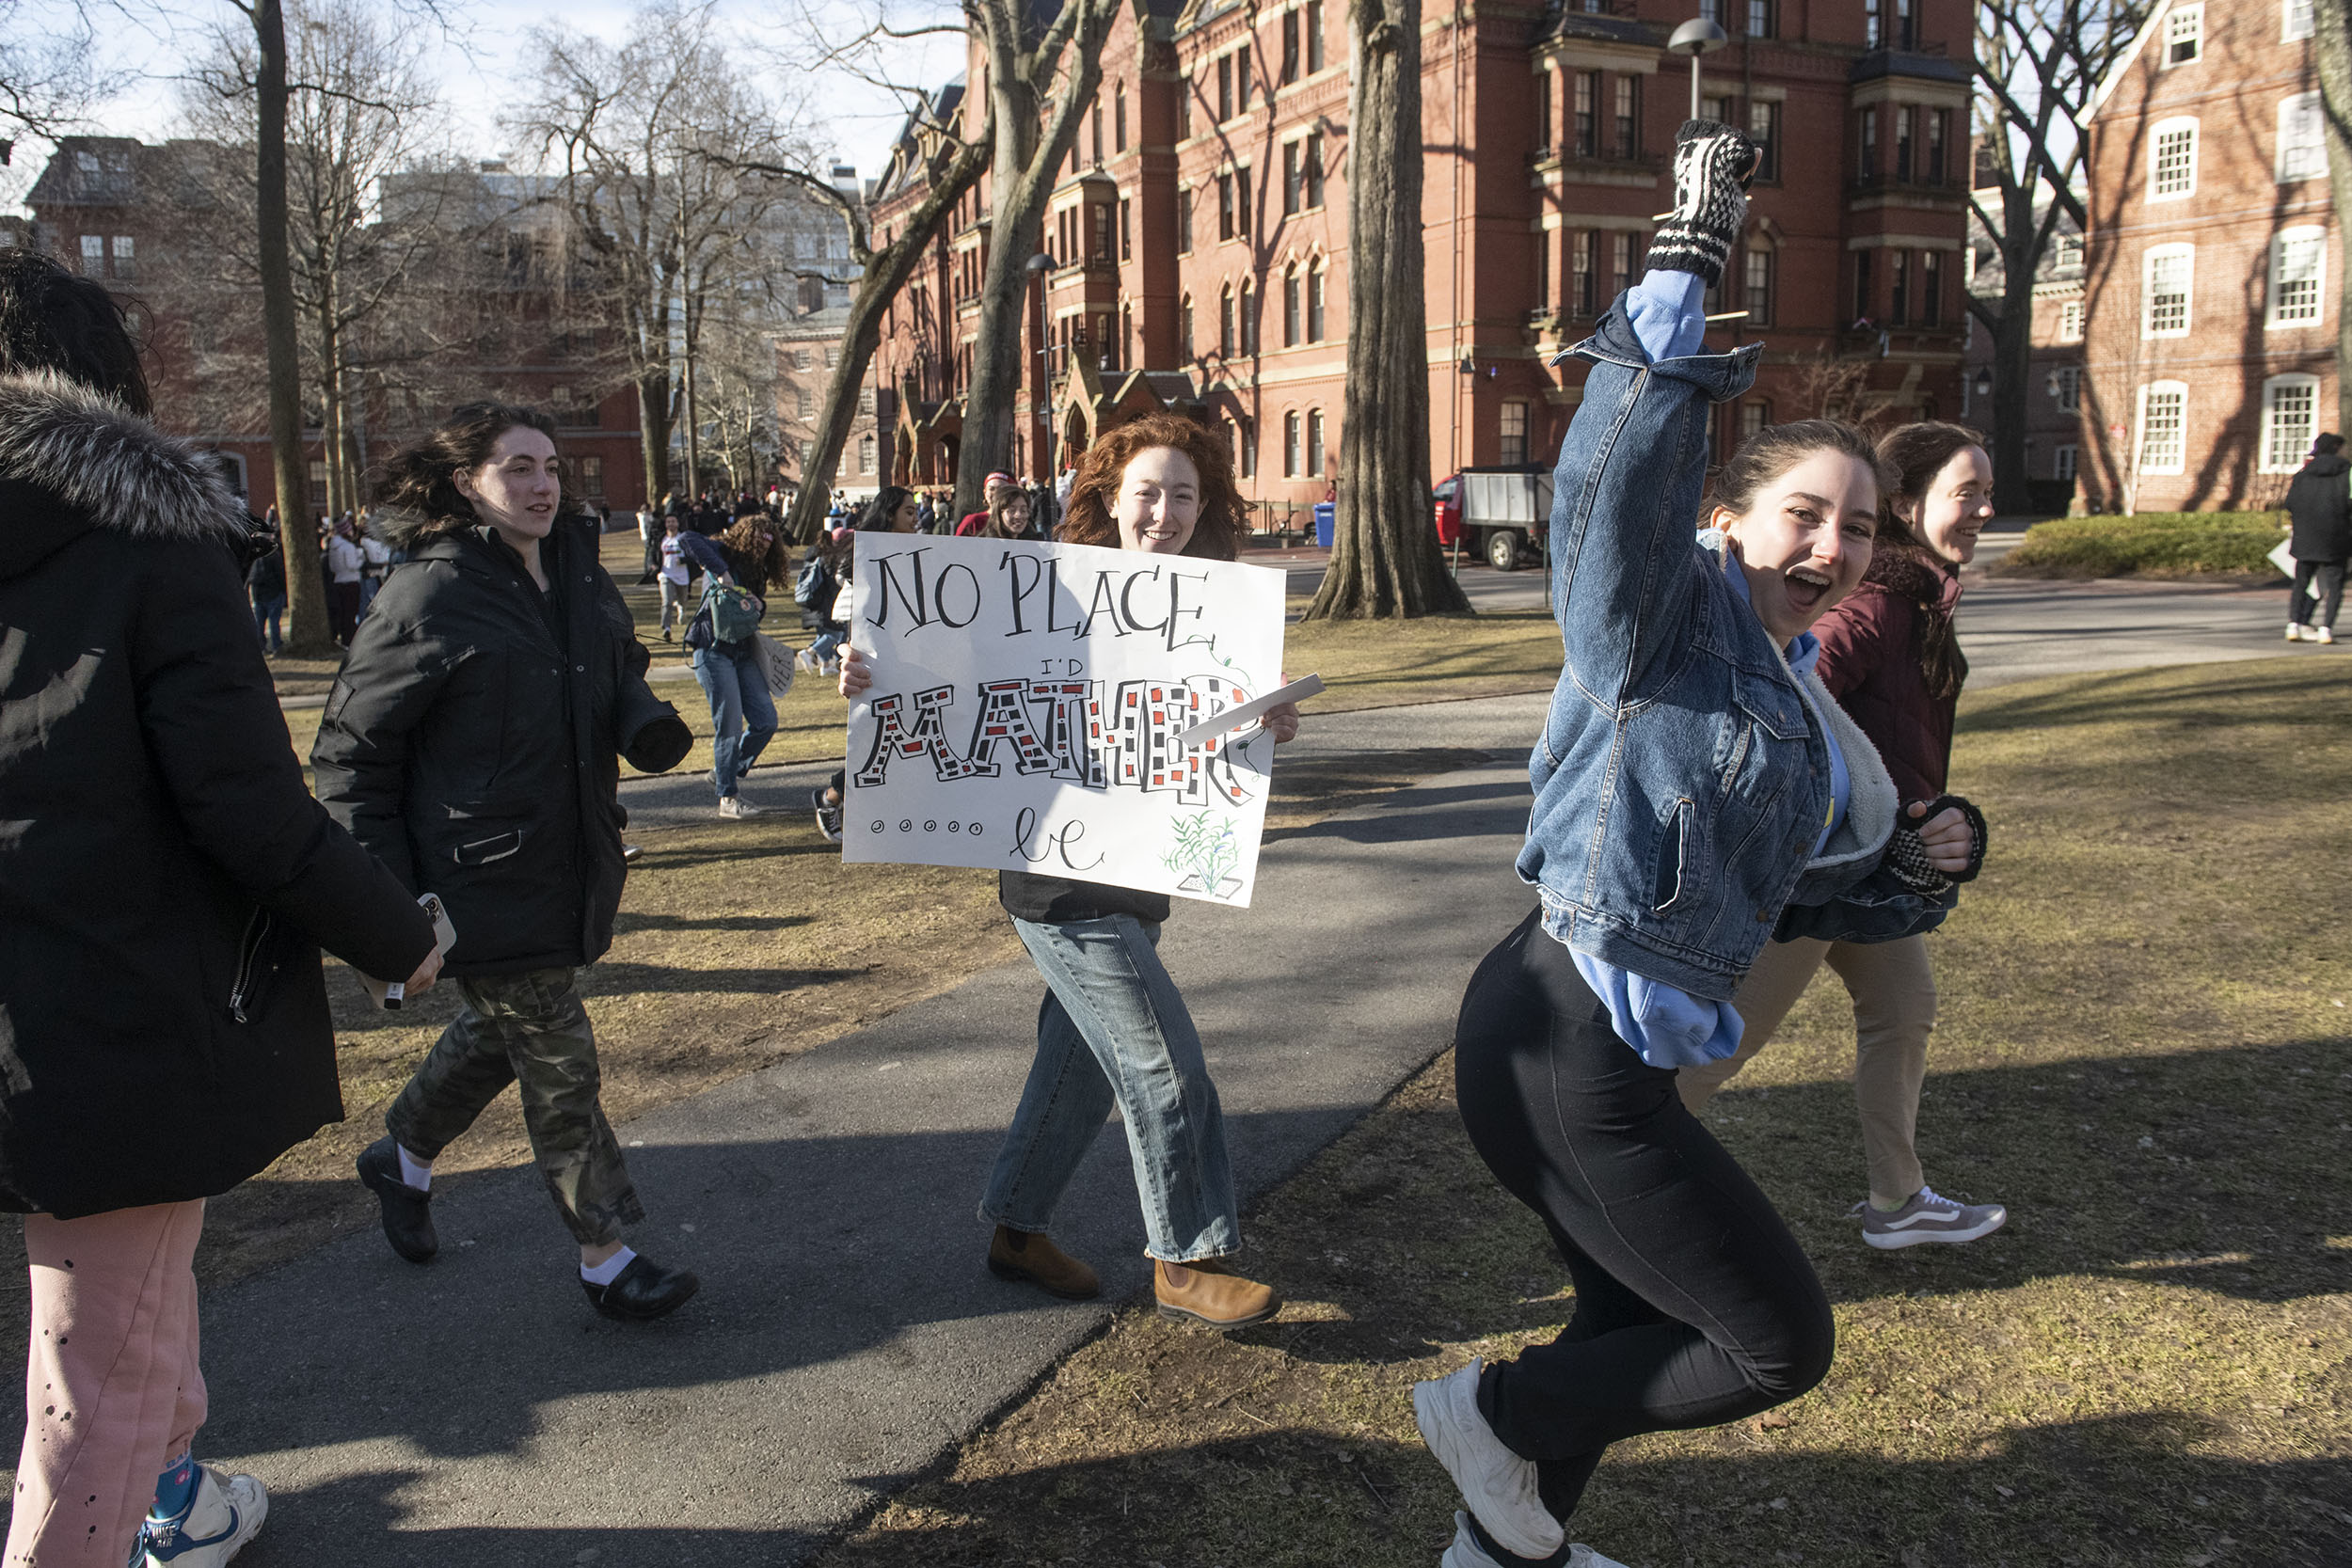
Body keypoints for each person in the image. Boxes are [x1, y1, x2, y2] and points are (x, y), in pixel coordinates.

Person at [1411, 121, 1984, 1568]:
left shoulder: (1796, 704)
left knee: (1640, 1314)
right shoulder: (1657, 622)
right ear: (1729, 523)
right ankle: (1490, 1411)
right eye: (1806, 512)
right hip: (1558, 1037)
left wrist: (1913, 863)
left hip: (1616, 1049)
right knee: (1772, 1338)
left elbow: (1794, 877)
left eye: (1857, 526)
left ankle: (1503, 1545)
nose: (1835, 545)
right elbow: (1611, 487)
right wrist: (1681, 270)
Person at [0, 248, 443, 1568]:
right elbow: (247, 804)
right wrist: (404, 937)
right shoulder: (150, 542)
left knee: (127, 1312)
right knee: (101, 1365)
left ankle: (175, 1492)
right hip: (104, 1005)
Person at [838, 413, 1304, 1327]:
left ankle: (1016, 1230)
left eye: (1182, 494)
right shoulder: (1039, 587)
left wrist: (1265, 724)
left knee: (1080, 1068)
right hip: (1054, 884)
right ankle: (1189, 1253)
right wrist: (874, 675)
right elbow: (946, 670)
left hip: (1137, 876)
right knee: (1164, 1064)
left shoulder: (1210, 609)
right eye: (1146, 491)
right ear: (1106, 497)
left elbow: (1201, 734)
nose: (1163, 511)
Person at [311, 401, 700, 1323]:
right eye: (515, 467)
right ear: (466, 483)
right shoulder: (428, 593)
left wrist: (638, 712)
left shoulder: (573, 562)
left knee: (509, 1026)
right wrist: (385, 902)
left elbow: (610, 657)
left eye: (550, 467)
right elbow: (351, 753)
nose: (538, 484)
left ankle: (400, 1150)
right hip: (475, 876)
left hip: (570, 857)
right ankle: (607, 1256)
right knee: (559, 1053)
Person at [1677, 421, 2007, 1249]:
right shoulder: (1879, 599)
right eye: (1966, 492)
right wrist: (1849, 812)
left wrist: (1932, 821)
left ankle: (1899, 1201)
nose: (1983, 510)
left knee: (1904, 1007)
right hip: (1818, 868)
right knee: (1717, 1053)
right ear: (1910, 503)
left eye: (1983, 494)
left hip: (1871, 867)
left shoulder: (1920, 593)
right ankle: (1608, 1173)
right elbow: (1794, 683)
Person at [809, 489, 922, 839]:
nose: (915, 517)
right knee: (882, 740)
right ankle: (831, 796)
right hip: (878, 660)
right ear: (889, 514)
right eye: (908, 511)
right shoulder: (867, 552)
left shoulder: (920, 550)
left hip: (913, 657)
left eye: (916, 510)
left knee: (906, 736)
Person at [675, 511, 789, 817]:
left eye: (767, 544)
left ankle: (724, 771)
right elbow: (686, 538)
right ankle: (728, 798)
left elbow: (751, 615)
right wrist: (721, 571)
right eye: (756, 541)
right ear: (744, 536)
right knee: (728, 726)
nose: (761, 548)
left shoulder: (757, 571)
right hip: (712, 651)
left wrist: (759, 605)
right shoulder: (720, 552)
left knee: (766, 721)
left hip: (743, 654)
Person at [2283, 432, 2348, 645]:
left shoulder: (2302, 474)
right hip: (2336, 537)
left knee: (2301, 582)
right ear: (2337, 448)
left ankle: (2294, 624)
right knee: (2335, 585)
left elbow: (2290, 503)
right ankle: (2326, 628)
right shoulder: (2346, 473)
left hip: (2305, 536)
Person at [324, 513, 364, 643]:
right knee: (350, 613)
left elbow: (332, 567)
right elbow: (352, 565)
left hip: (338, 581)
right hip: (351, 582)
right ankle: (349, 639)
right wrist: (361, 558)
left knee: (342, 613)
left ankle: (344, 638)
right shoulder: (348, 547)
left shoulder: (333, 547)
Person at [247, 531, 287, 654]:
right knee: (274, 621)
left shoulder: (252, 556)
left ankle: (261, 646)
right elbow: (280, 573)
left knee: (260, 623)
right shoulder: (274, 555)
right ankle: (276, 646)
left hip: (258, 593)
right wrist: (283, 589)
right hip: (273, 592)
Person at [657, 514, 691, 641]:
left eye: (673, 521)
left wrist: (683, 560)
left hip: (682, 575)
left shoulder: (683, 538)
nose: (671, 524)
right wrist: (654, 565)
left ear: (677, 523)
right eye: (668, 522)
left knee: (683, 600)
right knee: (667, 602)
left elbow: (692, 555)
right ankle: (667, 628)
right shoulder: (662, 539)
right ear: (665, 524)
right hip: (666, 574)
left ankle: (681, 609)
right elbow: (654, 553)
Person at [955, 470, 1013, 534]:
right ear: (985, 493)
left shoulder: (1021, 522)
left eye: (1002, 489)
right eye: (991, 489)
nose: (996, 493)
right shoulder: (974, 521)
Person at [637, 502, 662, 584]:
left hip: (646, 537)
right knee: (649, 555)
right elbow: (646, 528)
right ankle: (648, 570)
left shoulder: (643, 516)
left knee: (649, 554)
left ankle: (648, 569)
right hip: (647, 538)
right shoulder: (646, 517)